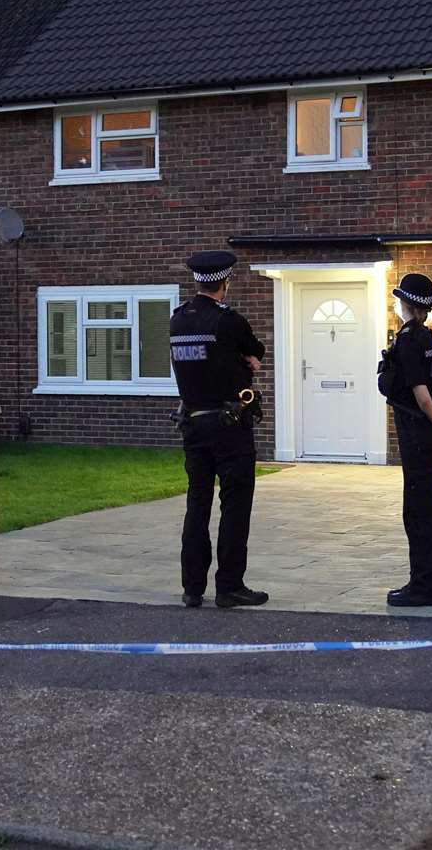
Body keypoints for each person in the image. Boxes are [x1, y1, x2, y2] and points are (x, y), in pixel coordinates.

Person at [169, 250, 269, 609]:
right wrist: (244, 361)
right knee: (235, 505)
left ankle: (192, 588)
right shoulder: (228, 321)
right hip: (230, 426)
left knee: (197, 505)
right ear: (225, 283)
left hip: (192, 425)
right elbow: (256, 352)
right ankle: (229, 586)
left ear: (197, 281)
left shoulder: (177, 320)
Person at [378, 273, 432, 607]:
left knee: (419, 511)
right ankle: (423, 582)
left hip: (415, 432)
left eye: (400, 301)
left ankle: (424, 587)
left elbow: (423, 395)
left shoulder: (410, 340)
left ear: (407, 305)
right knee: (425, 508)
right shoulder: (430, 339)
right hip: (426, 432)